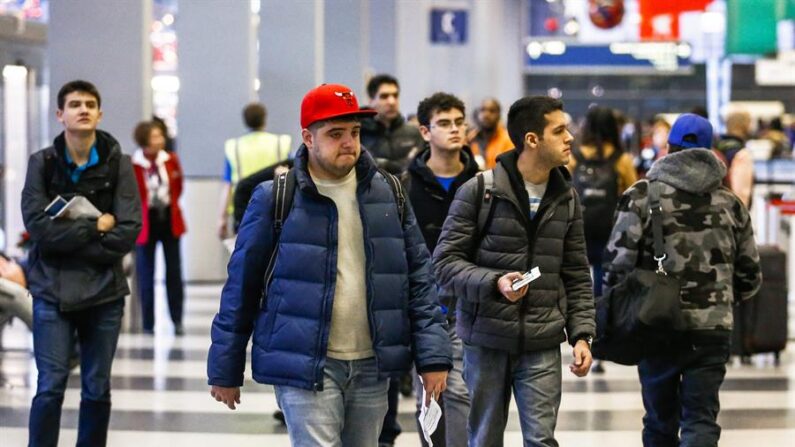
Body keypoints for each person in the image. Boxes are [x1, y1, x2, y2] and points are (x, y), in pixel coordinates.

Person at [207, 83, 452, 447]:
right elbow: (241, 286)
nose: (350, 143)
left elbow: (419, 277)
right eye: (335, 134)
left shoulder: (388, 191)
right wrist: (225, 368)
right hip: (305, 364)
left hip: (372, 364)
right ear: (308, 137)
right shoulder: (276, 197)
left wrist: (433, 357)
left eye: (354, 132)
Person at [434, 96, 595, 446]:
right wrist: (494, 282)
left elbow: (576, 273)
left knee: (541, 440)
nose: (570, 138)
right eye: (559, 130)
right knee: (484, 439)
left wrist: (582, 333)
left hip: (542, 341)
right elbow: (444, 265)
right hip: (486, 341)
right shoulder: (480, 191)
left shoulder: (566, 199)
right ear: (532, 140)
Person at [603, 113, 762, 446]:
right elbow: (750, 275)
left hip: (655, 324)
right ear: (711, 150)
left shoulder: (641, 195)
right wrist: (722, 300)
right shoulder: (731, 204)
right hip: (713, 329)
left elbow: (616, 266)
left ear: (669, 147)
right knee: (701, 419)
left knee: (660, 422)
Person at [21, 80, 142, 447]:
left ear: (100, 113)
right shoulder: (41, 163)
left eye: (90, 103)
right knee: (50, 386)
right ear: (60, 114)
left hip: (105, 293)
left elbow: (127, 230)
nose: (83, 109)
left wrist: (69, 236)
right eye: (74, 104)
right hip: (50, 291)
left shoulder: (119, 164)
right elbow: (37, 228)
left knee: (96, 388)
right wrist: (95, 227)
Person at [405, 92, 478, 447]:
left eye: (459, 122)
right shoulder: (404, 186)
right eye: (444, 123)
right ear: (425, 132)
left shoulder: (483, 184)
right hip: (422, 304)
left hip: (469, 302)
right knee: (429, 392)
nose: (454, 130)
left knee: (462, 390)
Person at [131, 121, 187, 335]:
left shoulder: (171, 160)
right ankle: (148, 323)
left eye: (160, 136)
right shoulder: (134, 164)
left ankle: (177, 319)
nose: (159, 140)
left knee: (174, 272)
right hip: (146, 222)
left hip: (169, 220)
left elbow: (178, 187)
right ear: (144, 140)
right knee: (146, 273)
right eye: (154, 137)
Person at [217, 102, 292, 239]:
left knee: (245, 253)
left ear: (245, 121)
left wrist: (222, 218)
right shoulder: (281, 143)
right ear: (265, 119)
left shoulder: (234, 147)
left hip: (244, 209)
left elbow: (228, 185)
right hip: (274, 206)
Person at [360, 74, 426, 175]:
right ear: (371, 100)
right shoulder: (359, 133)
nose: (391, 102)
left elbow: (419, 166)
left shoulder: (414, 133)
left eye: (395, 96)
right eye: (384, 96)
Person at [715, 110, 754, 208]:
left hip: (717, 208)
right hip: (734, 211)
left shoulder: (716, 147)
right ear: (745, 125)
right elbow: (742, 193)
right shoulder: (741, 153)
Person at [468, 98, 515, 169]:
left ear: (499, 115)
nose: (486, 115)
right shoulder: (470, 139)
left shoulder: (507, 140)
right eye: (482, 110)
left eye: (492, 111)